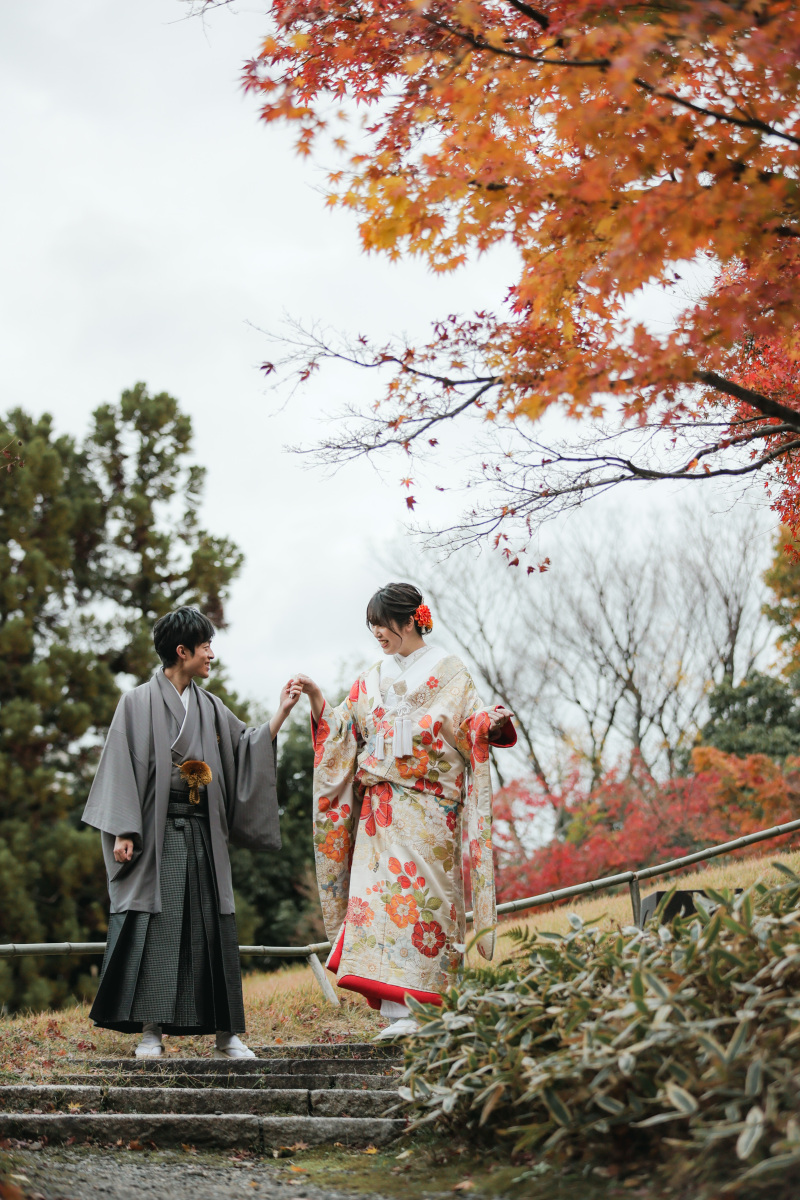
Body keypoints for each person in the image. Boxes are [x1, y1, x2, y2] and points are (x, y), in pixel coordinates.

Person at [295, 583, 516, 1038]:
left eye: (384, 624)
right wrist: (317, 698)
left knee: (422, 905)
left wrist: (489, 723)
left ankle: (424, 1009)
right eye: (372, 626)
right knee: (379, 907)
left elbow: (470, 722)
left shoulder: (450, 671)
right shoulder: (370, 678)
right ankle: (397, 1014)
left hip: (430, 808)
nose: (377, 633)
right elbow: (342, 729)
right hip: (379, 811)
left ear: (412, 619)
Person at [83, 606, 300, 1058]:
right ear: (182, 651)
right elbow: (120, 766)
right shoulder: (136, 703)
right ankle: (151, 1032)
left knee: (211, 927)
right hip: (155, 835)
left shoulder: (210, 706)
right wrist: (123, 830)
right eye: (205, 647)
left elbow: (245, 746)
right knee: (157, 928)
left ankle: (226, 1035)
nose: (211, 655)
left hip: (203, 833)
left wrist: (280, 714)